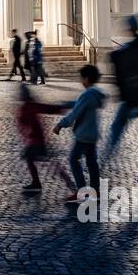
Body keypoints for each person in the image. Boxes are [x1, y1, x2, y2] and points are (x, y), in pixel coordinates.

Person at [108, 16, 138, 187]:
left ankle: (99, 166)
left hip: (130, 101)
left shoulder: (129, 50)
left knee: (115, 133)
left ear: (130, 29)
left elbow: (118, 59)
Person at [52, 65, 107, 202]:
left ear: (87, 79)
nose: (81, 81)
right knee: (91, 162)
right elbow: (79, 104)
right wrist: (67, 103)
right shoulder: (95, 94)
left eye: (82, 78)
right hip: (92, 134)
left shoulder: (87, 94)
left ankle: (82, 191)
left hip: (83, 135)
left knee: (73, 160)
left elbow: (75, 113)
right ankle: (95, 191)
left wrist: (60, 125)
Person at [15, 83, 74, 193]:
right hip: (35, 140)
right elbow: (49, 109)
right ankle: (38, 183)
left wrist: (63, 106)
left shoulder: (28, 106)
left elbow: (48, 109)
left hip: (36, 141)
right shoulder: (30, 105)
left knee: (50, 162)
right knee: (39, 160)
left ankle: (67, 183)